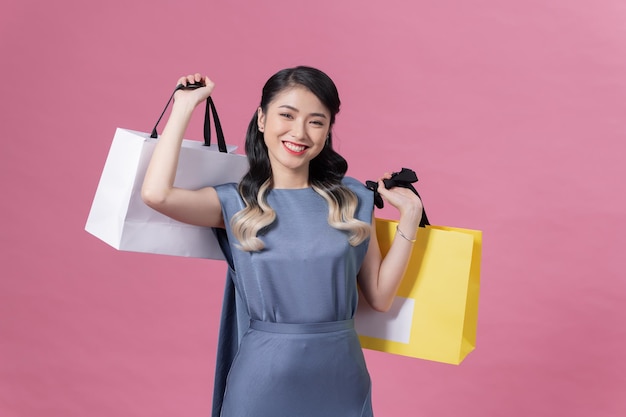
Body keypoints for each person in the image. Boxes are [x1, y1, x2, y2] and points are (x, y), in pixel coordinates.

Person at [141, 66, 423, 417]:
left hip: (342, 379)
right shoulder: (235, 203)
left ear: (327, 132)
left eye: (316, 121)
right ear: (261, 119)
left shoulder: (352, 198)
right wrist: (184, 105)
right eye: (286, 115)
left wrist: (410, 218)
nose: (299, 132)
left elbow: (379, 297)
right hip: (263, 380)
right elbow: (156, 195)